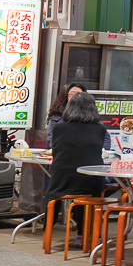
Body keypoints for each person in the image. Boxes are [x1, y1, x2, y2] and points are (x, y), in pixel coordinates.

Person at [46, 91, 107, 239]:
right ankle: (83, 234)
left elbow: (56, 151)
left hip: (62, 180)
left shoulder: (59, 128)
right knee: (88, 194)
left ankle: (47, 232)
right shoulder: (100, 129)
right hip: (92, 180)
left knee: (51, 194)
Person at [46, 83, 111, 150]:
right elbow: (52, 141)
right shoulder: (57, 120)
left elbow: (105, 139)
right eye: (72, 94)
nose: (76, 98)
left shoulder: (93, 119)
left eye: (80, 95)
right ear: (64, 97)